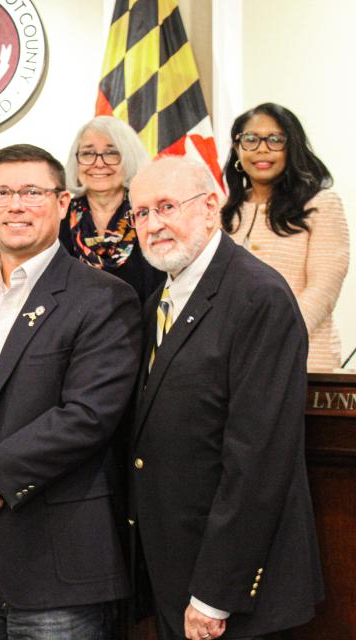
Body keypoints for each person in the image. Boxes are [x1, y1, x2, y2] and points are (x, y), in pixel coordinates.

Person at [0, 144, 142, 639]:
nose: (16, 205)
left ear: (62, 203)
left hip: (59, 565)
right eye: (3, 193)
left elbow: (87, 416)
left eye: (32, 192)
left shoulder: (103, 298)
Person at [128, 157, 323, 640]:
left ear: (211, 206)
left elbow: (258, 461)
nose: (153, 225)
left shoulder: (259, 297)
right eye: (141, 213)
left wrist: (215, 594)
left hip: (230, 595)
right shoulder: (160, 301)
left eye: (167, 206)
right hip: (175, 573)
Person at [221, 102, 349, 371]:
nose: (262, 149)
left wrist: (272, 337)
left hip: (302, 359)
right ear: (237, 148)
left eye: (275, 139)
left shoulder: (321, 204)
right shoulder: (223, 212)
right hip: (233, 363)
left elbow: (322, 291)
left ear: (292, 147)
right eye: (251, 139)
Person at [60, 115, 161, 302]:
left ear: (129, 159)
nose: (99, 163)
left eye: (111, 153)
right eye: (88, 153)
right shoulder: (57, 219)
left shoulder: (150, 218)